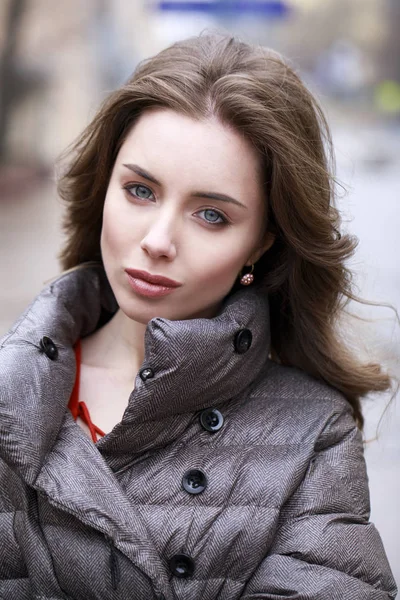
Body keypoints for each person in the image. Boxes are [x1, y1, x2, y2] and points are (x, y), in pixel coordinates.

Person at [0, 31, 397, 600]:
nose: (158, 241)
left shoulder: (312, 433)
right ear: (104, 187)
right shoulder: (13, 391)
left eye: (210, 214)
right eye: (140, 190)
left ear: (261, 243)